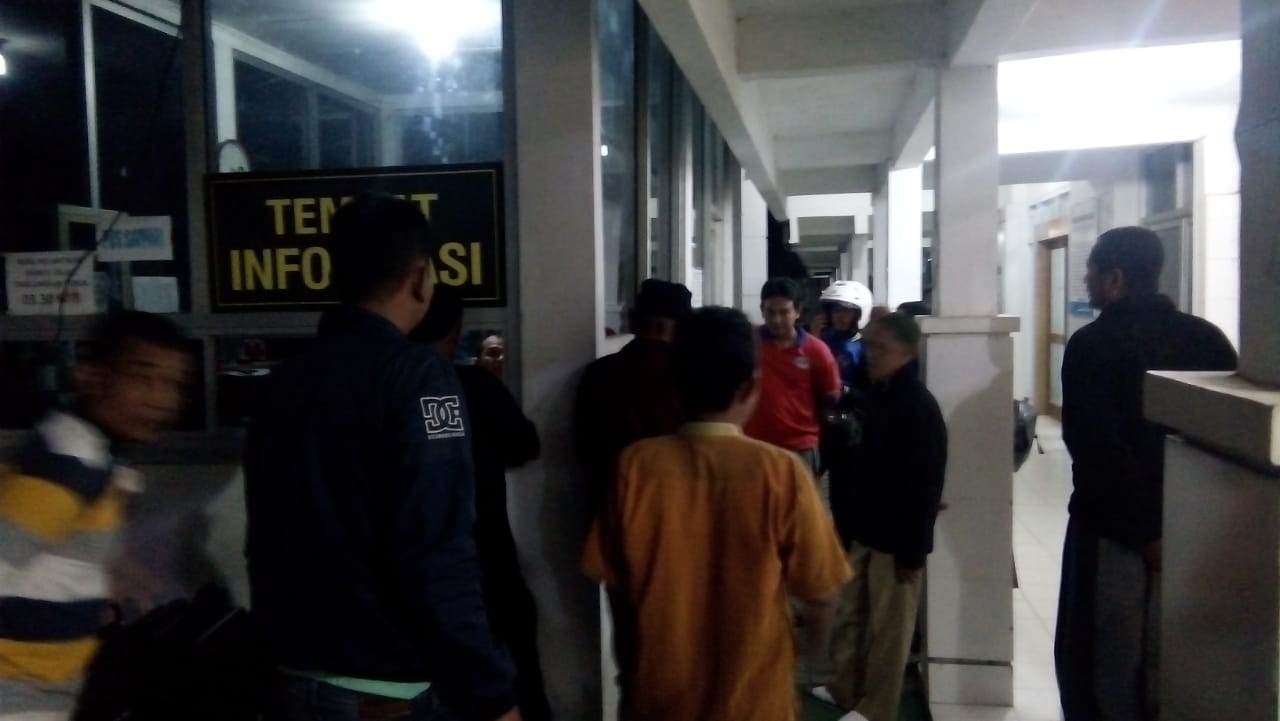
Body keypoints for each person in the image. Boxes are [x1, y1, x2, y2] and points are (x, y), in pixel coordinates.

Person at [243, 195, 520, 721]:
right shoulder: (422, 378)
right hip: (384, 689)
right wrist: (492, 692)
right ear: (419, 278)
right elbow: (439, 547)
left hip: (290, 672)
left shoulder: (283, 381)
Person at [581, 306, 851, 721]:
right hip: (755, 701)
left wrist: (633, 673)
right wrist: (811, 653)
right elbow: (822, 593)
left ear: (674, 384)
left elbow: (614, 584)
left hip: (659, 697)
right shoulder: (780, 472)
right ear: (751, 386)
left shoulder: (635, 467)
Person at [1056, 226, 1237, 721]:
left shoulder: (1093, 344)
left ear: (1115, 278)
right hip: (1195, 531)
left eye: (1092, 271)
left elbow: (1094, 447)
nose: (1087, 281)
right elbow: (1225, 441)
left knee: (1104, 665)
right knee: (1175, 658)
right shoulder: (1208, 340)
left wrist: (1143, 533)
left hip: (1112, 532)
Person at [0, 311, 192, 721]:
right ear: (91, 376)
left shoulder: (95, 459)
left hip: (45, 689)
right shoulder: (71, 464)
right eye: (144, 377)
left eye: (174, 384)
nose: (162, 399)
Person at [410, 287, 551, 721]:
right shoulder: (470, 385)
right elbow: (526, 444)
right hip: (486, 561)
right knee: (514, 677)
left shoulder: (388, 386)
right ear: (455, 332)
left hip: (413, 575)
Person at [815, 312, 948, 721]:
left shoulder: (919, 407)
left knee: (889, 630)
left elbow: (926, 486)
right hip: (863, 526)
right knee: (852, 614)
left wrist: (913, 551)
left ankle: (877, 708)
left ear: (906, 352)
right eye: (869, 345)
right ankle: (843, 687)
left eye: (880, 347)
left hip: (896, 540)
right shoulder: (873, 395)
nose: (870, 354)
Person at [574, 278, 692, 505]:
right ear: (680, 327)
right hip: (676, 501)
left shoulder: (597, 373)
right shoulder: (689, 374)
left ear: (632, 319)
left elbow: (585, 445)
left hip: (611, 500)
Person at [744, 277, 842, 486]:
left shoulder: (816, 351)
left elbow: (829, 396)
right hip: (754, 445)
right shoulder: (748, 344)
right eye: (770, 312)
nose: (777, 319)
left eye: (784, 312)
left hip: (800, 449)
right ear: (762, 310)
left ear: (797, 311)